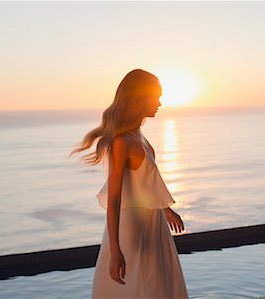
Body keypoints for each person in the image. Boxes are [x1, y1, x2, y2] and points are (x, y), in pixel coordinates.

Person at [69, 69, 189, 298]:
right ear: (140, 98)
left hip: (152, 222)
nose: (160, 103)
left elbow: (142, 182)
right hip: (132, 226)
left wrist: (165, 208)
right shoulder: (121, 141)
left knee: (156, 285)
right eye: (156, 97)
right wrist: (115, 251)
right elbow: (114, 199)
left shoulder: (138, 134)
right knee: (140, 287)